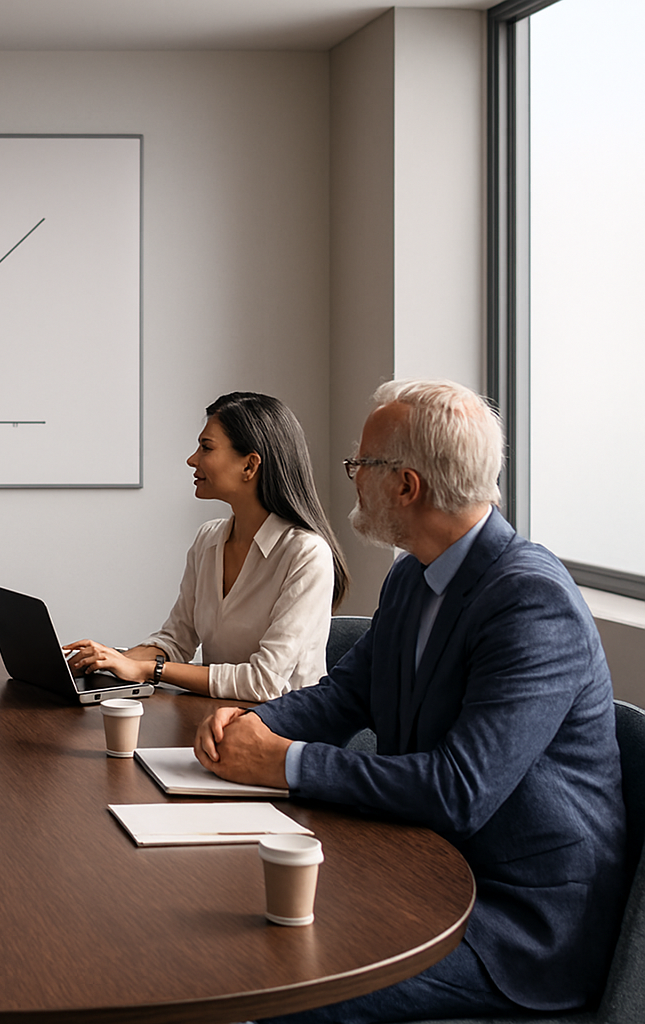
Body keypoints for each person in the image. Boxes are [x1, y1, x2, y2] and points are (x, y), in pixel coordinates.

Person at [195, 379, 625, 1022]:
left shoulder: (532, 603)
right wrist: (248, 723)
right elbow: (346, 695)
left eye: (360, 465)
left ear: (406, 485)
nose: (350, 479)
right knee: (218, 925)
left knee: (271, 988)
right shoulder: (412, 577)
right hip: (418, 872)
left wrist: (284, 761)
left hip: (511, 924)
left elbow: (460, 790)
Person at [67, 392, 347, 701]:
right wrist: (106, 661)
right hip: (213, 721)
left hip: (280, 733)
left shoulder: (306, 554)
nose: (192, 459)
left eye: (206, 447)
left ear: (250, 466)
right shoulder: (208, 539)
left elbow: (264, 682)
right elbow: (176, 640)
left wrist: (149, 670)